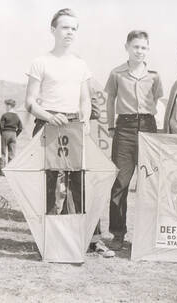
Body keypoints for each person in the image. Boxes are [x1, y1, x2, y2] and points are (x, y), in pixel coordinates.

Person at [25, 8, 113, 257]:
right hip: (48, 125)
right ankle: (50, 240)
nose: (70, 32)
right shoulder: (40, 62)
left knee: (80, 182)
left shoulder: (81, 64)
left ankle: (90, 240)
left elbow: (85, 99)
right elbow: (30, 102)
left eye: (74, 28)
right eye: (65, 27)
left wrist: (84, 121)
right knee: (50, 183)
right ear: (53, 30)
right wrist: (49, 116)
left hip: (74, 126)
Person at [105, 30, 164, 250]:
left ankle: (148, 235)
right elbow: (110, 100)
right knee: (120, 183)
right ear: (127, 47)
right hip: (125, 129)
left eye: (144, 47)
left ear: (148, 49)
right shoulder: (116, 73)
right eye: (135, 47)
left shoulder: (155, 76)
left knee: (150, 183)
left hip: (148, 128)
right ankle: (118, 234)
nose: (139, 51)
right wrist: (111, 126)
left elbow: (158, 100)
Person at [0, 99, 23, 176]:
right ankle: (10, 170)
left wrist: (1, 134)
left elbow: (1, 126)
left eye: (6, 105)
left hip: (5, 133)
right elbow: (21, 128)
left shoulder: (5, 115)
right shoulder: (17, 116)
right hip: (13, 134)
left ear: (9, 106)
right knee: (11, 153)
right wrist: (16, 134)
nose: (5, 107)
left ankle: (2, 170)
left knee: (2, 152)